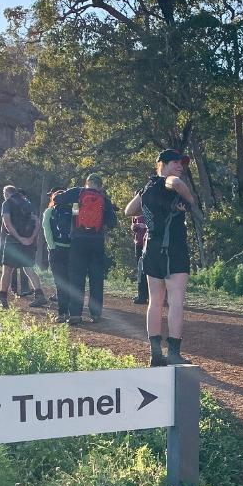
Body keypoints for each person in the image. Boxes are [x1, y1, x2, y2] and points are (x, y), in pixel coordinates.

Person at [126, 150, 197, 366]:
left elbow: (130, 210)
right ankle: (174, 353)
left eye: (181, 163)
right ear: (163, 164)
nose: (180, 166)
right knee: (175, 302)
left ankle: (155, 354)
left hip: (152, 248)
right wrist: (190, 200)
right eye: (175, 162)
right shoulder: (170, 180)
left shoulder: (147, 187)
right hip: (173, 248)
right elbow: (175, 183)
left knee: (155, 302)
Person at [56, 173, 117, 325]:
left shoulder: (77, 193)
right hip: (97, 242)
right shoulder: (105, 200)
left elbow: (57, 199)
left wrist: (73, 207)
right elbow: (112, 223)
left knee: (77, 277)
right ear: (100, 186)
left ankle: (75, 314)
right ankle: (95, 314)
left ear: (86, 183)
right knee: (96, 279)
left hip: (78, 241)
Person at [0, 185, 47, 309]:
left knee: (7, 270)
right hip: (28, 242)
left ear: (6, 193)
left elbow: (7, 224)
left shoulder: (7, 203)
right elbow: (37, 223)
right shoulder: (28, 204)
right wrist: (30, 238)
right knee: (29, 269)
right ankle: (39, 295)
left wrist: (19, 238)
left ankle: (2, 298)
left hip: (13, 242)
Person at [42, 186, 77, 319]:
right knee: (72, 281)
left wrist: (51, 247)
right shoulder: (74, 209)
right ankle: (74, 313)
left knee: (60, 282)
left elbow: (47, 230)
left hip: (56, 249)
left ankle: (62, 313)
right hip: (72, 250)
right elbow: (78, 226)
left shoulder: (49, 211)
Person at [132, 213, 149, 304]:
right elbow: (133, 227)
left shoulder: (153, 206)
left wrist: (145, 226)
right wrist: (135, 226)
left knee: (151, 270)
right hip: (139, 244)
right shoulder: (136, 211)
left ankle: (154, 296)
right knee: (140, 271)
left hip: (150, 244)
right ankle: (142, 296)